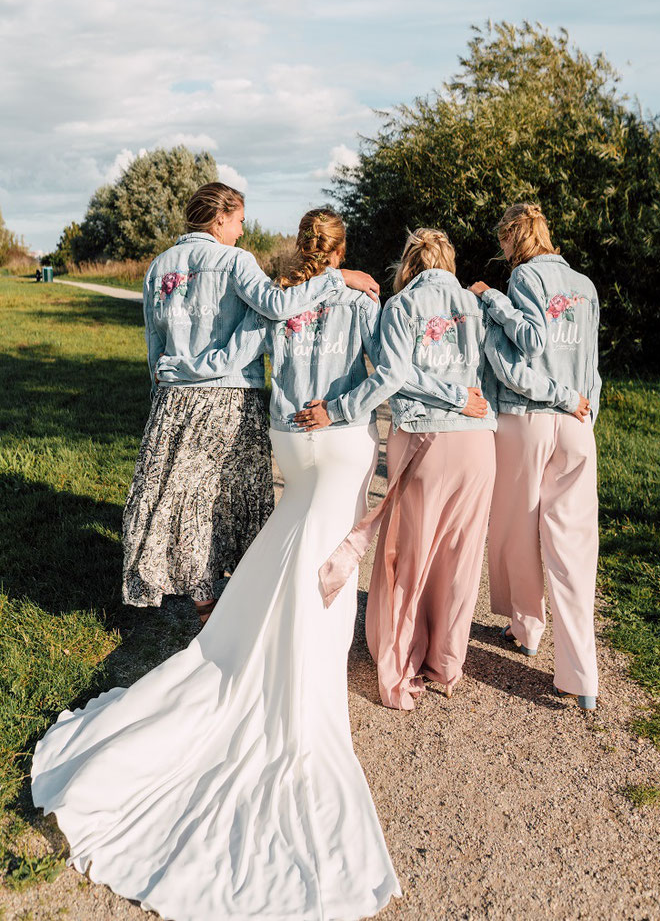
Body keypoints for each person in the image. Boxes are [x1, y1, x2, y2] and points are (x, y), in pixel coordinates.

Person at [31, 208, 401, 921]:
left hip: (289, 437)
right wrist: (351, 380)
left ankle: (256, 637)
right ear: (346, 249)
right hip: (341, 434)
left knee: (292, 545)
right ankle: (301, 673)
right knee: (325, 558)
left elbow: (253, 341)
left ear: (300, 245)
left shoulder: (283, 291)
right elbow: (388, 366)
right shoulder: (359, 298)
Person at [122, 182, 378, 627]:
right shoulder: (234, 261)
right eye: (239, 220)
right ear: (220, 217)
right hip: (227, 396)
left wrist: (160, 388)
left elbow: (153, 341)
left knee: (185, 498)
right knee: (228, 496)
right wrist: (338, 277)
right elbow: (277, 306)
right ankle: (238, 596)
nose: (242, 231)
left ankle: (203, 602)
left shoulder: (159, 266)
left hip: (174, 397)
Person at [298, 228, 497, 710]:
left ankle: (401, 665)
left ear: (409, 262)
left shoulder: (402, 306)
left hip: (426, 441)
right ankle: (446, 664)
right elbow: (485, 376)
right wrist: (466, 400)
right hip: (478, 444)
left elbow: (393, 377)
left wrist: (340, 410)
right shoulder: (476, 306)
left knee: (406, 556)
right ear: (448, 261)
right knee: (460, 559)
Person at [469, 202, 600, 710]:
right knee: (573, 545)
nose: (502, 253)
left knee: (517, 529)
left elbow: (513, 366)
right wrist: (587, 415)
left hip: (528, 419)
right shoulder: (586, 287)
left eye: (503, 242)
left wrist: (494, 304)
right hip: (577, 424)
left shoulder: (522, 280)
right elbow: (591, 365)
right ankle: (580, 674)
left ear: (513, 240)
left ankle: (526, 628)